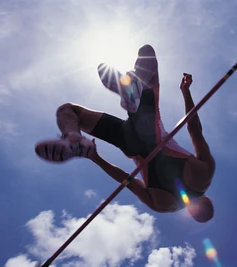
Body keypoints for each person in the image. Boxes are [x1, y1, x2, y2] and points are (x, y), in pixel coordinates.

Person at [35, 45, 216, 222]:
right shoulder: (162, 206)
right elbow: (126, 180)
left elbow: (194, 129)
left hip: (149, 130)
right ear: (191, 213)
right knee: (68, 111)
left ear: (207, 200)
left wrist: (186, 92)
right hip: (127, 142)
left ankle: (133, 87)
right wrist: (95, 157)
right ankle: (74, 140)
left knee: (147, 54)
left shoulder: (205, 176)